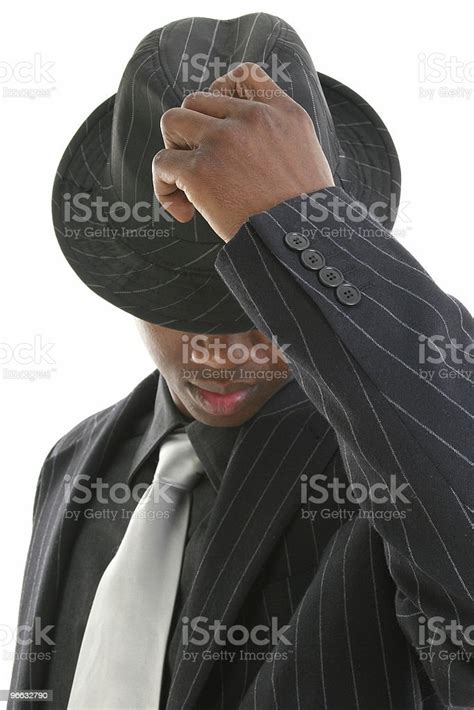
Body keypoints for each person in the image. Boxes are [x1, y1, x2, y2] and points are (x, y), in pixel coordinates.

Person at [9, 13, 473, 710]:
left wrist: (299, 223)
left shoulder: (389, 477)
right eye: (187, 307)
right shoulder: (73, 463)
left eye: (255, 303)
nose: (221, 350)